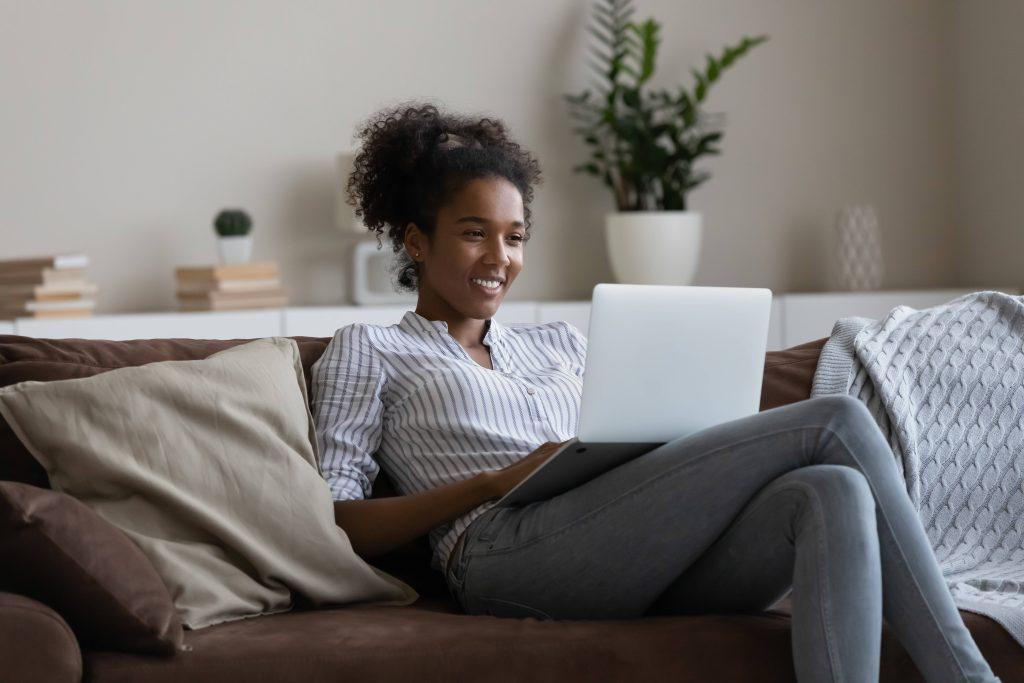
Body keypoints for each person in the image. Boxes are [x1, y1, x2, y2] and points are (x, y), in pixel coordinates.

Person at [309, 102, 999, 682]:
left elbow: (614, 443)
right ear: (416, 242)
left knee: (831, 491)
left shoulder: (560, 341)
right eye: (473, 233)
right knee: (837, 421)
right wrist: (492, 481)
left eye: (515, 237)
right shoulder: (370, 350)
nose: (500, 257)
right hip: (504, 552)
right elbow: (338, 520)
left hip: (629, 541)